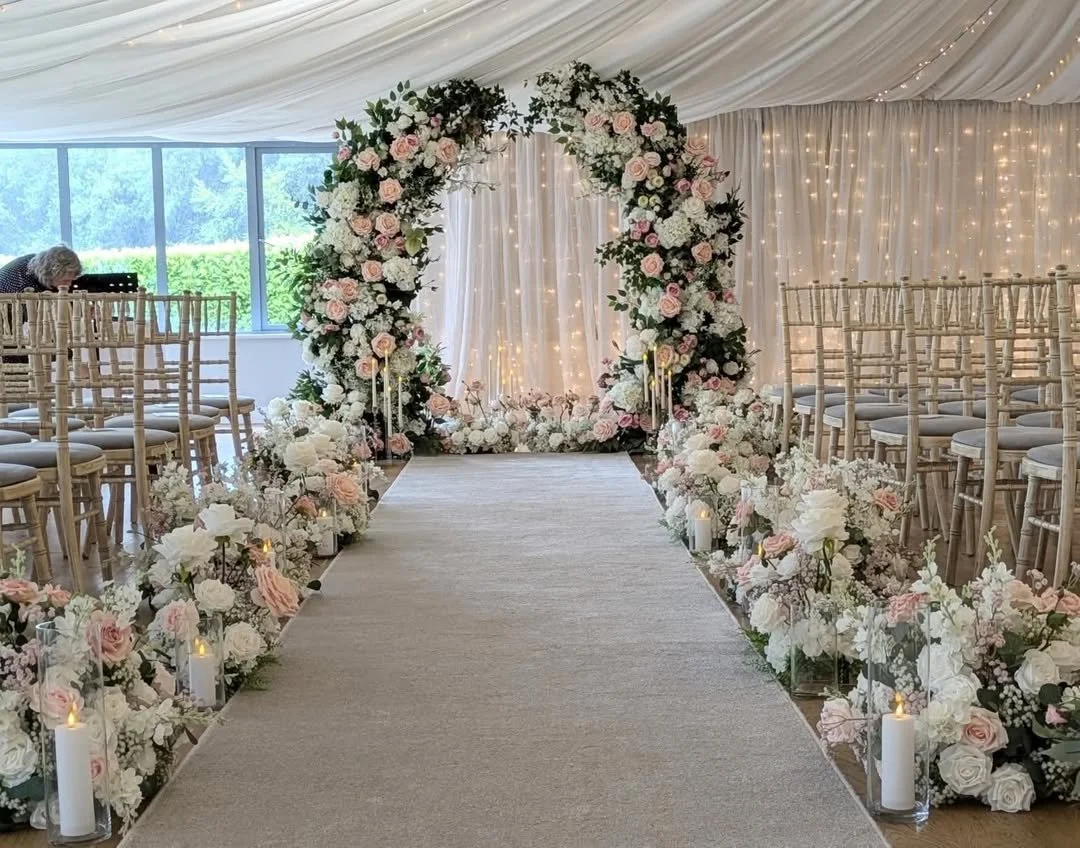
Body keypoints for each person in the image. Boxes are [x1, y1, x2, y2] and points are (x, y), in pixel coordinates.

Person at [0, 245, 82, 294]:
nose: (69, 284)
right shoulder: (26, 284)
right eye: (65, 281)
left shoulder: (38, 262)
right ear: (50, 275)